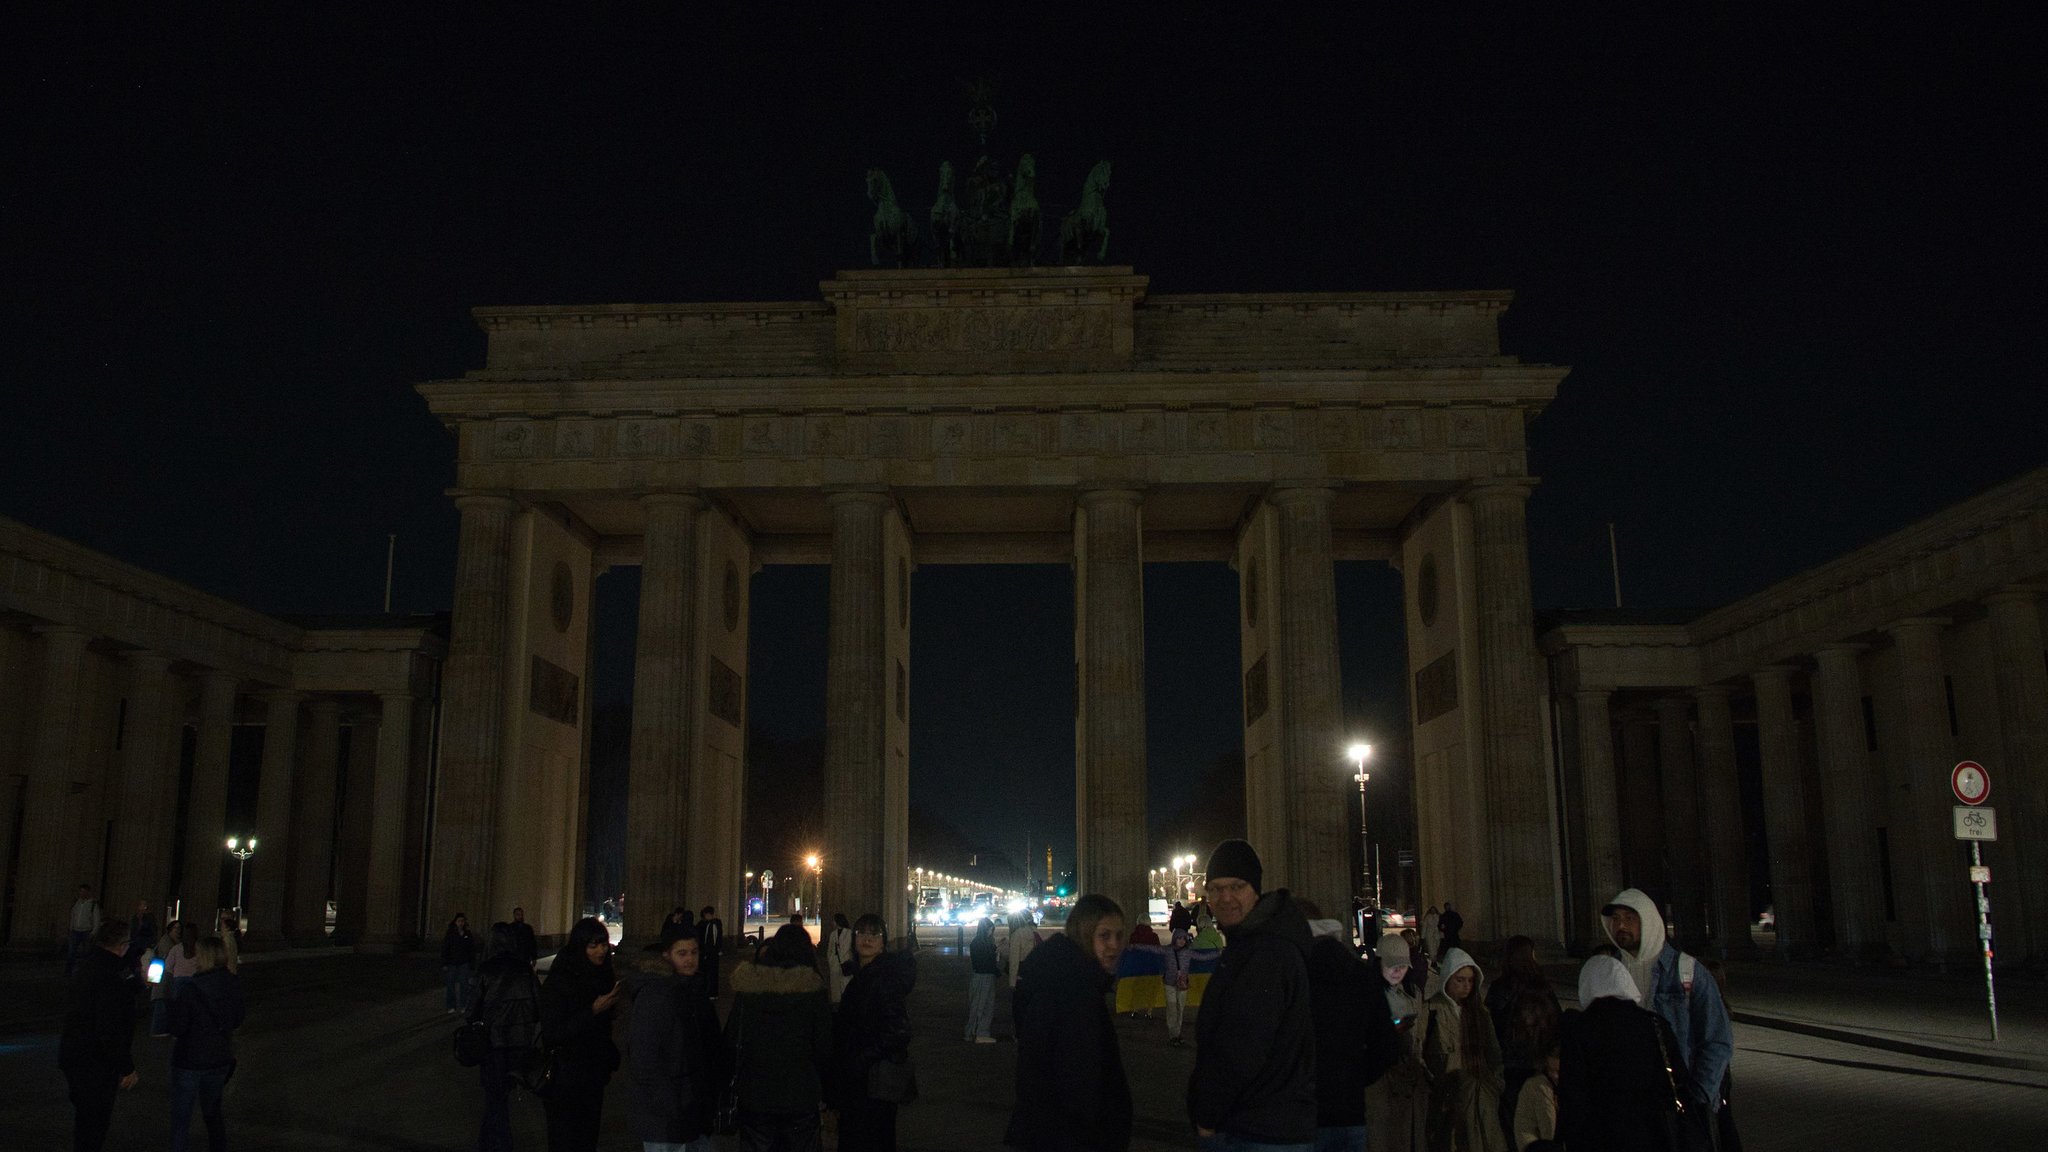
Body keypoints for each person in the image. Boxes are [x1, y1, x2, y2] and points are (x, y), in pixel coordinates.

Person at [1186, 839, 1316, 1150]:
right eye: (1215, 888)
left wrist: (1206, 1115)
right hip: (1269, 1125)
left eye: (1237, 886)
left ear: (1255, 890)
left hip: (1257, 1129)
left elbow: (1240, 1048)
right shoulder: (1258, 942)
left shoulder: (1265, 953)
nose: (1225, 897)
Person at [1005, 893, 1131, 1152]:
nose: (1114, 946)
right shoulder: (1074, 993)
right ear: (1084, 935)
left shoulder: (1068, 979)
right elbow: (1080, 1082)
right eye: (1104, 936)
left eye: (1119, 936)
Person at [1602, 887, 1732, 1134]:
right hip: (1630, 1106)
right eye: (1616, 919)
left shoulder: (1688, 972)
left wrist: (1698, 1098)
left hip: (1677, 1103)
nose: (1621, 926)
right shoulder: (1610, 972)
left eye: (1630, 918)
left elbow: (1717, 1040)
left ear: (1648, 921)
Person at [1558, 956, 1696, 1152]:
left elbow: (1573, 1094)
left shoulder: (1579, 1029)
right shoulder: (1655, 1024)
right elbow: (1679, 1080)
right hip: (1654, 1133)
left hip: (1600, 1136)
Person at [1298, 901, 1402, 1152]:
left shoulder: (1289, 973)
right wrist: (1352, 1079)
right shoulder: (1360, 973)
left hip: (1298, 1116)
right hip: (1348, 1112)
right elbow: (1387, 1046)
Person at [727, 923, 834, 1152]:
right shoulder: (813, 992)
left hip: (754, 1095)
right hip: (801, 1095)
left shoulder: (748, 992)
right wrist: (828, 1093)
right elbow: (824, 1049)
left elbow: (732, 1041)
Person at [629, 932, 727, 1152]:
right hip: (666, 1118)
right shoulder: (655, 994)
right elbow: (643, 1060)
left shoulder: (695, 992)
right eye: (681, 953)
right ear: (666, 956)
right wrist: (671, 1104)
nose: (690, 959)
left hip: (695, 1109)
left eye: (694, 952)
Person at [539, 917, 623, 1152]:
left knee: (588, 1139)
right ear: (579, 946)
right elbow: (554, 1031)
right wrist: (593, 1010)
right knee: (565, 1140)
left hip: (593, 1075)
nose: (601, 951)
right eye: (593, 945)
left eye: (604, 944)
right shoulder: (560, 980)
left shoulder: (603, 976)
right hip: (564, 1078)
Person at [833, 912, 915, 1152]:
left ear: (883, 942)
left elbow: (898, 1030)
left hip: (871, 1082)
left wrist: (862, 1058)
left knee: (867, 1138)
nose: (866, 939)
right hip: (863, 1081)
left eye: (874, 934)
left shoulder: (883, 978)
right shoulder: (863, 975)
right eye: (861, 933)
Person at [61, 918, 139, 1152]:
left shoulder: (92, 964)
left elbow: (132, 985)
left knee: (85, 1120)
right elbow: (109, 1028)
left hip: (75, 1054)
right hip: (94, 1061)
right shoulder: (110, 975)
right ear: (122, 944)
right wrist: (126, 1067)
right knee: (94, 1125)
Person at [1422, 948, 1506, 1152]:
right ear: (1448, 979)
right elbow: (1422, 1051)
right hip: (1446, 1098)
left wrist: (1495, 1083)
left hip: (1479, 1096)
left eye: (1470, 981)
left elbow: (1493, 1051)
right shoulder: (1431, 1009)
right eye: (1460, 980)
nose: (1466, 986)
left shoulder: (1480, 1013)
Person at [167, 935, 245, 1152]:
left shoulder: (191, 988)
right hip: (219, 1058)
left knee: (181, 1119)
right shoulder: (232, 984)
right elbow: (238, 1019)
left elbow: (177, 1028)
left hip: (189, 1061)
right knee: (213, 1114)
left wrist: (170, 1007)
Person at [473, 922, 542, 1152]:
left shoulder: (486, 969)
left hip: (494, 1043)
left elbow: (472, 1010)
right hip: (520, 1042)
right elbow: (538, 1007)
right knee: (500, 1096)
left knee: (495, 1098)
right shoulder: (524, 969)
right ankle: (487, 1141)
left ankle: (501, 1145)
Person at [1486, 936, 1559, 1142]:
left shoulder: (1500, 988)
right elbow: (1556, 1024)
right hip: (1539, 1065)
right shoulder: (1543, 988)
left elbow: (1491, 1026)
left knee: (1514, 1123)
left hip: (1511, 1066)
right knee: (1541, 1121)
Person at [1365, 933, 1429, 1152]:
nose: (1397, 971)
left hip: (1411, 1076)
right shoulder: (1370, 994)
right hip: (1383, 1079)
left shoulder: (1415, 994)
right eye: (1392, 965)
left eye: (1402, 966)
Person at [1508, 1041, 1559, 1152]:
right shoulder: (1539, 1086)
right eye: (1551, 1070)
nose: (1555, 1076)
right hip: (1534, 1146)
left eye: (1558, 1071)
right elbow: (1549, 1130)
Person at [964, 917, 1000, 1043]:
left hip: (979, 976)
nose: (991, 932)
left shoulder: (976, 943)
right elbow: (986, 962)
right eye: (990, 929)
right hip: (985, 976)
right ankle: (980, 1033)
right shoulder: (984, 943)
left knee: (977, 1005)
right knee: (984, 1005)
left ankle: (971, 1032)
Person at [1162, 927, 1194, 1046]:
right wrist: (1134, 947)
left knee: (1180, 1009)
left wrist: (1216, 953)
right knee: (1172, 1009)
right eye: (1179, 938)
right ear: (1175, 939)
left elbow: (1202, 956)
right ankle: (1173, 1035)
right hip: (1169, 984)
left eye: (1184, 939)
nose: (1182, 941)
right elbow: (1151, 949)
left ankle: (1177, 1033)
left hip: (1182, 984)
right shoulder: (1167, 950)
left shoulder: (1188, 952)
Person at [149, 920, 182, 1036]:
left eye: (179, 929)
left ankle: (161, 1028)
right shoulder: (166, 941)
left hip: (166, 974)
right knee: (161, 999)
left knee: (163, 999)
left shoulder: (173, 942)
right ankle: (158, 1029)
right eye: (175, 928)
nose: (177, 931)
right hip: (163, 973)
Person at [443, 913, 479, 1013]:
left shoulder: (467, 934)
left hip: (464, 963)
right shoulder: (451, 934)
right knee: (450, 985)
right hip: (452, 962)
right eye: (459, 921)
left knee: (464, 985)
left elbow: (471, 950)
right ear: (455, 922)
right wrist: (445, 963)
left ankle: (464, 1004)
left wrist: (472, 964)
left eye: (462, 921)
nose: (461, 923)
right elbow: (446, 948)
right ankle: (451, 1005)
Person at [68, 883, 103, 975]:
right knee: (71, 952)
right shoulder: (77, 903)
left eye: (84, 892)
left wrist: (93, 932)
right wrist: (71, 928)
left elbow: (96, 919)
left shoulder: (93, 905)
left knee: (86, 953)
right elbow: (73, 915)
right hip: (75, 931)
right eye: (80, 891)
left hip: (86, 932)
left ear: (88, 892)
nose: (81, 894)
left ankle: (84, 972)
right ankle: (69, 971)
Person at [1004, 909, 1039, 989]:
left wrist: (1012, 982)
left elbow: (1014, 959)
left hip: (1021, 972)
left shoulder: (1017, 934)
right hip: (1034, 970)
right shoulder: (1035, 931)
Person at [697, 905, 725, 998]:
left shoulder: (711, 925)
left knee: (710, 972)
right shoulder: (715, 924)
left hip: (711, 952)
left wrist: (708, 951)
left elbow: (711, 940)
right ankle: (713, 992)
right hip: (714, 952)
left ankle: (711, 992)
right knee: (713, 973)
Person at [827, 913, 855, 1003]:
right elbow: (830, 949)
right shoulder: (833, 934)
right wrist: (830, 959)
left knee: (845, 982)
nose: (832, 922)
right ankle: (837, 1002)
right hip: (835, 960)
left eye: (834, 920)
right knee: (835, 985)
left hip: (846, 960)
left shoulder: (849, 933)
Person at [127, 900, 158, 972]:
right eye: (141, 906)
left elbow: (153, 932)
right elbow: (132, 932)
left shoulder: (149, 918)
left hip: (146, 946)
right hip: (135, 946)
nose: (143, 908)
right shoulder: (134, 918)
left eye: (145, 906)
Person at [214, 910, 241, 974]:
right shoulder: (226, 936)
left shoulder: (229, 938)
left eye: (224, 918)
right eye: (221, 918)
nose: (221, 921)